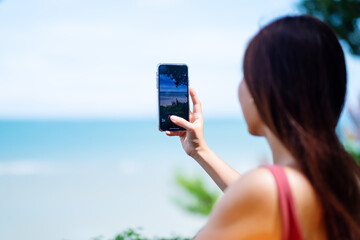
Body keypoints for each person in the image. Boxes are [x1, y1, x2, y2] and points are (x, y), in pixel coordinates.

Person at [166, 15, 360, 240]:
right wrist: (201, 151)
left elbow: (266, 195)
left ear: (265, 90)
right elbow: (277, 199)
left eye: (245, 75)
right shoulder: (349, 177)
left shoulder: (265, 190)